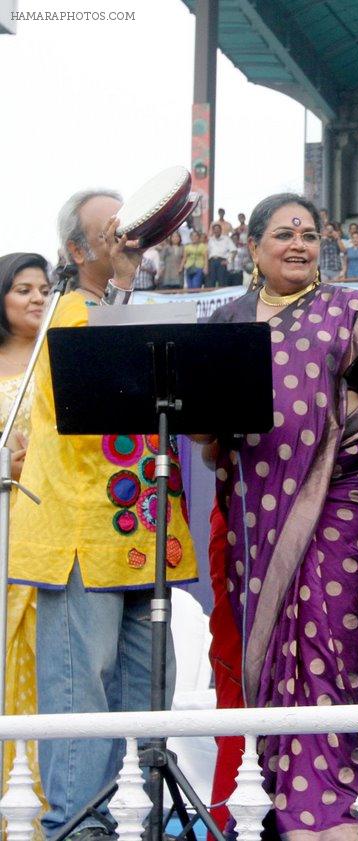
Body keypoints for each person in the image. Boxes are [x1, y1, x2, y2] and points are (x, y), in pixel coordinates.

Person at [206, 193, 358, 840]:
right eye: (284, 233)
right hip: (254, 517)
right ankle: (287, 806)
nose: (298, 244)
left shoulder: (352, 310)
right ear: (254, 246)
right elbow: (212, 444)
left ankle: (335, 807)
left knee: (332, 640)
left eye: (309, 235)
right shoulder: (228, 321)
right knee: (269, 654)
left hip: (343, 498)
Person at [11, 190, 197, 840]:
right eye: (113, 230)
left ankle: (150, 817)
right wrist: (123, 280)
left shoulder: (142, 309)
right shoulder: (64, 315)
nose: (129, 238)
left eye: (133, 226)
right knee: (81, 688)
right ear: (77, 250)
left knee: (153, 685)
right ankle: (77, 827)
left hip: (143, 534)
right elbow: (100, 387)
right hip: (79, 532)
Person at [0, 252, 50, 803]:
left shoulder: (55, 362)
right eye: (22, 290)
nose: (37, 298)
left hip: (49, 527)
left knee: (42, 662)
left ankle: (39, 808)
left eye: (42, 289)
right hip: (3, 525)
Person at [207, 222, 236, 287]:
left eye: (218, 229)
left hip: (221, 262)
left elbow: (234, 251)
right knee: (211, 282)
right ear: (213, 230)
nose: (216, 230)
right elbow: (207, 252)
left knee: (222, 282)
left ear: (221, 230)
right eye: (215, 229)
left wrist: (228, 261)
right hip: (212, 262)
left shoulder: (226, 239)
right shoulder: (210, 239)